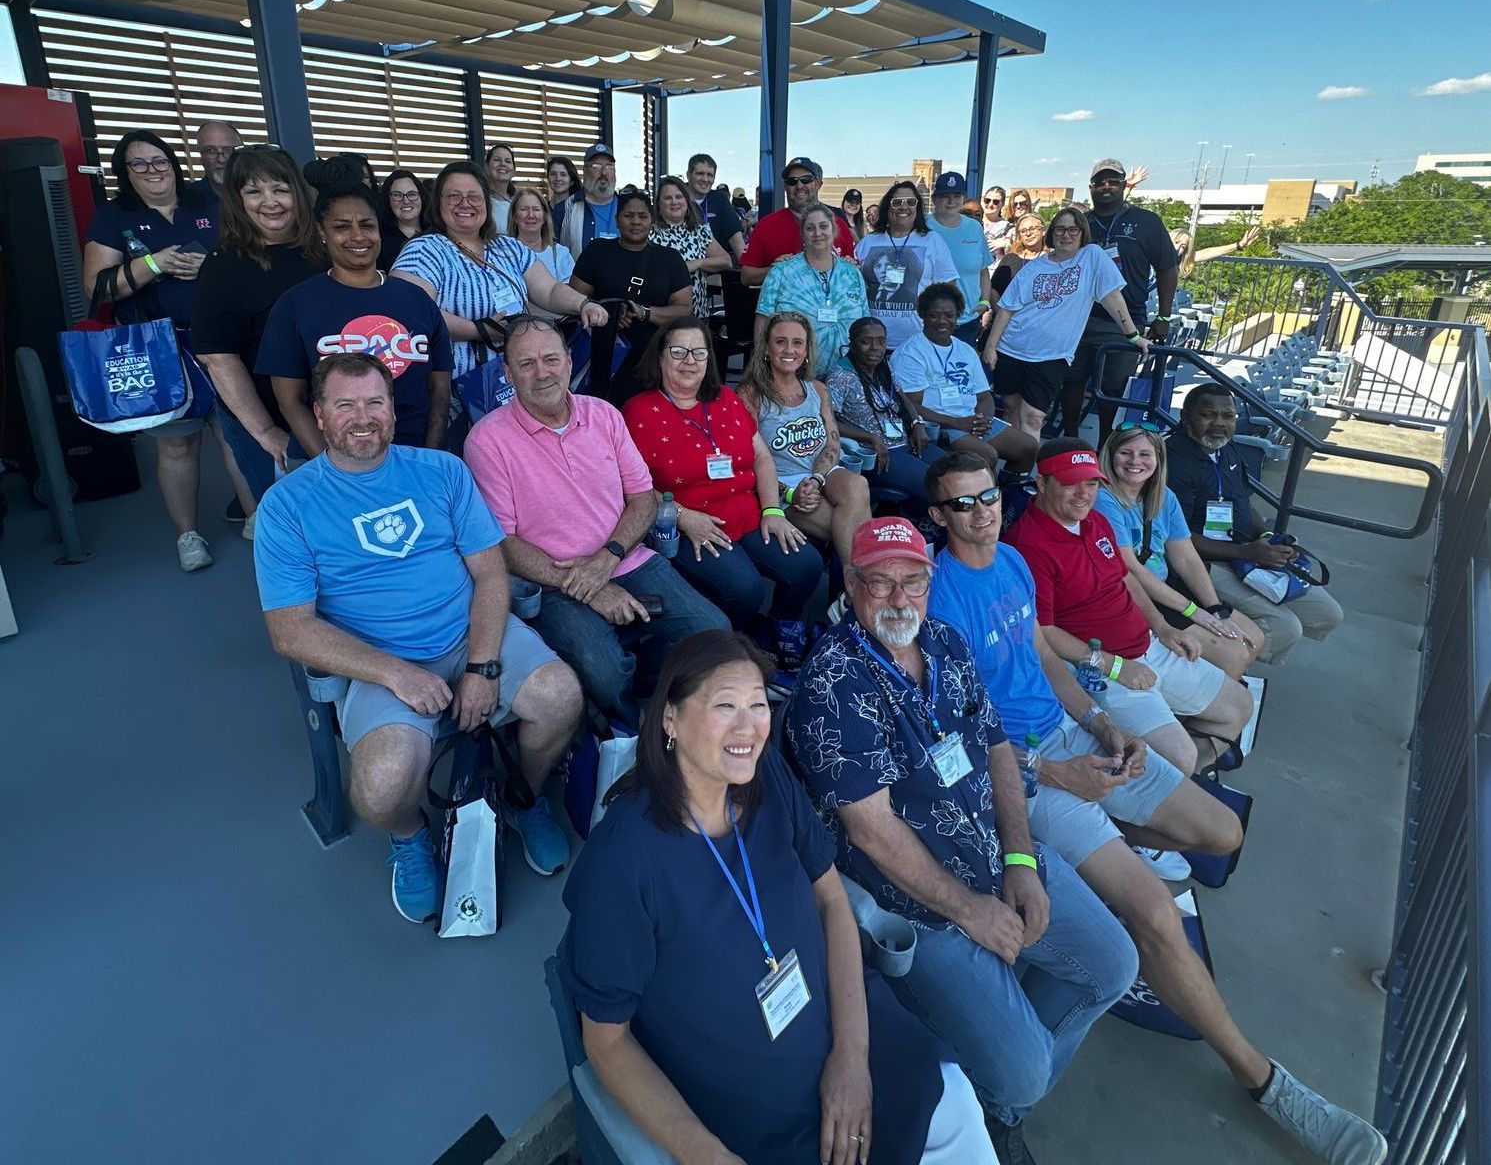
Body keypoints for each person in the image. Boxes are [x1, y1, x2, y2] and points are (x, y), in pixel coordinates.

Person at [924, 452, 1391, 1165]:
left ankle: (1102, 854)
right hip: (1025, 772)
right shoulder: (941, 595)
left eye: (987, 496)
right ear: (939, 515)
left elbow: (1044, 660)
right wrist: (1057, 771)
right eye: (962, 503)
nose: (981, 510)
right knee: (1153, 914)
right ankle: (1261, 1077)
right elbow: (955, 728)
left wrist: (1104, 725)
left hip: (1071, 731)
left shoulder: (1010, 566)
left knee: (1218, 830)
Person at [564, 630, 996, 1165]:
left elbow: (833, 902)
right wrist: (708, 1157)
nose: (749, 727)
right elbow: (606, 1042)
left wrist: (851, 1060)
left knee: (953, 1107)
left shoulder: (765, 773)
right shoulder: (624, 859)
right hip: (756, 1110)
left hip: (854, 1034)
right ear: (668, 719)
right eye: (725, 705)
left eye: (757, 704)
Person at [784, 517, 1139, 1164]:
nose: (899, 600)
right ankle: (1002, 1093)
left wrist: (1020, 857)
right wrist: (970, 910)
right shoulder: (831, 685)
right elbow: (871, 827)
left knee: (1114, 966)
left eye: (913, 581)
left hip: (996, 856)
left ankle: (988, 1093)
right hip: (915, 907)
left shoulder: (943, 639)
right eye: (880, 583)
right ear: (851, 584)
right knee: (1027, 1071)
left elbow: (996, 745)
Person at [255, 352, 582, 913]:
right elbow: (290, 630)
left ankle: (522, 797)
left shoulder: (441, 471)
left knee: (561, 697)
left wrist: (482, 667)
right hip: (379, 663)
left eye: (375, 402)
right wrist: (397, 673)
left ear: (392, 408)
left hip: (471, 635)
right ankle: (409, 837)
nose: (363, 416)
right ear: (320, 413)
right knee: (380, 789)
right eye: (345, 404)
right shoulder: (286, 506)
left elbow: (489, 573)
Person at [464, 317, 727, 726]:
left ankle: (660, 707)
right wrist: (591, 590)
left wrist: (607, 559)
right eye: (527, 363)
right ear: (508, 372)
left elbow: (642, 497)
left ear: (570, 361)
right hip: (552, 582)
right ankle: (626, 729)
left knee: (715, 633)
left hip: (625, 558)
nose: (542, 372)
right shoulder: (486, 440)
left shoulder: (603, 414)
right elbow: (503, 543)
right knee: (605, 671)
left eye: (551, 358)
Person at [1004, 439, 1254, 776]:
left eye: (1091, 482)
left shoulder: (1096, 520)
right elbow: (1044, 633)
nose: (1083, 494)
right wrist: (1118, 667)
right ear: (1041, 483)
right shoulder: (1027, 546)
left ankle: (1188, 781)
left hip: (1147, 643)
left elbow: (1127, 579)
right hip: (1101, 670)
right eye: (1069, 483)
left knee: (1239, 705)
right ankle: (1175, 785)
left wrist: (1163, 628)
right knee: (1179, 757)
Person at [83, 129, 248, 570]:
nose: (152, 170)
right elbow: (97, 290)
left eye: (159, 160)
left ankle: (260, 519)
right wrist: (154, 264)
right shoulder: (114, 216)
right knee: (178, 444)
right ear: (126, 173)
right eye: (139, 164)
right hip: (160, 347)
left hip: (223, 338)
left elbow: (246, 261)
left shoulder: (208, 203)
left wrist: (209, 267)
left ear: (174, 164)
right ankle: (188, 537)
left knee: (238, 434)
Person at [623, 319, 822, 629]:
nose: (689, 360)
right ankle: (725, 646)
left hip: (748, 515)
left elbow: (761, 458)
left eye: (699, 353)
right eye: (678, 351)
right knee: (746, 590)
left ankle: (781, 628)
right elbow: (630, 487)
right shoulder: (637, 412)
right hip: (694, 527)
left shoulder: (727, 399)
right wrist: (683, 516)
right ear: (660, 356)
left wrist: (772, 511)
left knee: (806, 565)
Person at [258, 157, 452, 454]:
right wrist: (334, 471)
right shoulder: (295, 305)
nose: (358, 236)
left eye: (366, 225)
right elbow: (290, 401)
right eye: (342, 226)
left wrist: (432, 458)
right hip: (332, 462)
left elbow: (439, 392)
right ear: (322, 232)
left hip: (414, 457)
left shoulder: (416, 300)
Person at [1167, 384, 1345, 665]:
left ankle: (1236, 646)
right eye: (1208, 415)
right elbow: (1177, 538)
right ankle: (1228, 666)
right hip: (1201, 562)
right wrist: (1247, 553)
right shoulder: (1172, 461)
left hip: (1247, 552)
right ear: (1186, 416)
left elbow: (1244, 504)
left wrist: (1267, 539)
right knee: (1286, 628)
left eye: (1228, 416)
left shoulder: (1229, 452)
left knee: (1328, 614)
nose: (1219, 424)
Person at [389, 159, 606, 381]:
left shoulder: (508, 248)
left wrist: (583, 304)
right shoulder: (424, 249)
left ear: (486, 202)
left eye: (474, 196)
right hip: (457, 388)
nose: (465, 203)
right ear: (437, 202)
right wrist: (478, 330)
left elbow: (549, 289)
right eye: (454, 196)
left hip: (515, 383)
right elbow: (412, 310)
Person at [193, 145, 323, 513]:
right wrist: (265, 431)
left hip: (328, 413)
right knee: (290, 523)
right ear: (237, 200)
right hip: (266, 417)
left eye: (280, 189)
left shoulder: (320, 254)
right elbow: (218, 357)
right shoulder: (224, 266)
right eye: (254, 191)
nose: (270, 202)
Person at [1095, 424, 1264, 678]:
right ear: (1110, 456)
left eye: (1145, 454)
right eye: (1125, 453)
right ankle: (1212, 708)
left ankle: (1219, 695)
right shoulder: (1103, 499)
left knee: (1254, 637)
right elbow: (1130, 568)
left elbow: (1186, 558)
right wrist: (1193, 612)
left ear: (1158, 459)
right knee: (1232, 654)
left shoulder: (1164, 496)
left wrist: (1215, 608)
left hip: (1164, 586)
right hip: (1132, 592)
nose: (1134, 461)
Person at [981, 206, 1148, 439]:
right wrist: (991, 348)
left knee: (1034, 417)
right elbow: (1008, 309)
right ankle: (1009, 466)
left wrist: (1133, 335)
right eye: (1059, 229)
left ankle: (1021, 470)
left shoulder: (1091, 256)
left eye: (1073, 229)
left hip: (1051, 355)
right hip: (1011, 347)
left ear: (1082, 233)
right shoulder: (1036, 267)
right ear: (1051, 233)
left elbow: (1112, 297)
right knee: (1010, 409)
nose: (1066, 235)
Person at [739, 311, 872, 569]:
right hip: (782, 484)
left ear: (807, 349)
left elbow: (832, 443)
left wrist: (817, 478)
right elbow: (747, 460)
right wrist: (790, 492)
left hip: (820, 473)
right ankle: (853, 589)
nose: (789, 350)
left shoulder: (818, 390)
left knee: (858, 484)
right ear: (766, 347)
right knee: (852, 534)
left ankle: (851, 589)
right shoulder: (750, 394)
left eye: (797, 342)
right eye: (780, 342)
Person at [1059, 159, 1178, 441]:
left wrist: (1163, 316)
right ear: (1090, 187)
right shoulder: (1081, 223)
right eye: (1100, 182)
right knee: (1071, 382)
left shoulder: (1147, 222)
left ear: (1124, 185)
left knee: (1111, 389)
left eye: (1113, 181)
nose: (1106, 186)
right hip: (1079, 316)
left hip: (1124, 321)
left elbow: (1167, 268)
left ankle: (1105, 446)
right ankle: (1070, 440)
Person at [892, 284, 1037, 473]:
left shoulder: (965, 350)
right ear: (923, 315)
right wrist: (958, 424)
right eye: (934, 315)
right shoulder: (911, 353)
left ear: (957, 315)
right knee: (987, 455)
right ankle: (987, 498)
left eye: (949, 315)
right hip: (939, 425)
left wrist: (982, 420)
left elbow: (984, 396)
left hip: (970, 421)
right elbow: (910, 405)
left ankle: (1009, 495)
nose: (942, 321)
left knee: (1028, 446)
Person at [569, 186, 694, 403]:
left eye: (642, 216)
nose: (635, 221)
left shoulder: (670, 259)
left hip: (653, 360)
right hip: (603, 357)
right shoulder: (597, 251)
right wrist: (607, 313)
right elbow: (572, 300)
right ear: (617, 220)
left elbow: (684, 309)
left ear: (652, 221)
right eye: (628, 215)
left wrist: (644, 313)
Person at [828, 317, 944, 510]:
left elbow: (902, 396)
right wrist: (870, 437)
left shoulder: (884, 366)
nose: (875, 347)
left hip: (905, 441)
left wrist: (916, 423)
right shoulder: (841, 376)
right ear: (852, 344)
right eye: (866, 341)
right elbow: (828, 421)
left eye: (881, 341)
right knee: (937, 486)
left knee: (955, 471)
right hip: (879, 453)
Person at [756, 202, 870, 376]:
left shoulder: (852, 274)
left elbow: (864, 322)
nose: (818, 233)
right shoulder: (781, 272)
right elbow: (763, 320)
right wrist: (761, 364)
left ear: (834, 231)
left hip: (846, 375)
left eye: (823, 226)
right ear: (802, 234)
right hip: (793, 375)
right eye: (810, 228)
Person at [855, 181, 958, 350]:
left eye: (910, 202)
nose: (904, 207)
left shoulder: (933, 241)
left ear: (917, 208)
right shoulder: (868, 242)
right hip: (870, 344)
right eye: (897, 202)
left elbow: (948, 290)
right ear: (887, 208)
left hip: (917, 342)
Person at [739, 158, 856, 286]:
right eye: (792, 181)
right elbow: (746, 276)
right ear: (785, 187)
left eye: (806, 179)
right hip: (786, 304)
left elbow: (854, 276)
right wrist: (776, 270)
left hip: (833, 303)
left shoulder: (839, 225)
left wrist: (850, 267)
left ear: (817, 184)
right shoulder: (766, 225)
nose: (799, 186)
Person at [926, 171, 994, 347]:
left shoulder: (974, 228)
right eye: (944, 196)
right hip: (930, 320)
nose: (951, 201)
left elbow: (983, 271)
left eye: (956, 196)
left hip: (967, 320)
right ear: (934, 200)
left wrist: (985, 302)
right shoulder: (922, 226)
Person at [651, 174, 732, 318]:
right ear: (659, 203)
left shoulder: (700, 231)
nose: (674, 202)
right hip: (662, 316)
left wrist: (697, 263)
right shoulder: (649, 233)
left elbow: (726, 261)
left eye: (679, 196)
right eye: (668, 198)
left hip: (697, 316)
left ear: (687, 201)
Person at [505, 184, 576, 323]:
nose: (530, 215)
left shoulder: (561, 253)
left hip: (555, 329)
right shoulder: (503, 253)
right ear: (514, 217)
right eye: (524, 209)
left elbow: (568, 295)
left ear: (544, 217)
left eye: (536, 209)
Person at [555, 143, 621, 258]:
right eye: (596, 167)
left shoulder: (625, 207)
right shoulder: (564, 210)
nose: (604, 172)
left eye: (609, 166)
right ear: (584, 171)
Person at [685, 151, 745, 262]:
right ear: (688, 175)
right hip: (681, 265)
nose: (705, 179)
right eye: (700, 174)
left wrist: (746, 264)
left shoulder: (719, 199)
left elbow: (734, 235)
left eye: (710, 175)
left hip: (713, 267)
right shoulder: (677, 197)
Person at [376, 169, 426, 272]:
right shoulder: (379, 241)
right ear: (388, 200)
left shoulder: (439, 234)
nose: (406, 201)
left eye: (412, 194)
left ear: (422, 197)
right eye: (397, 195)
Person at [989, 213, 1047, 300]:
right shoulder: (1009, 259)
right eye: (1023, 231)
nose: (1028, 234)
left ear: (1043, 231)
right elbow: (994, 289)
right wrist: (999, 312)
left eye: (1032, 229)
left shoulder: (1053, 260)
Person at [193, 119, 242, 203]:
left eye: (228, 150)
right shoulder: (184, 200)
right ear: (201, 157)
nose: (221, 159)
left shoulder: (261, 194)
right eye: (210, 151)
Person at [484, 141, 518, 231]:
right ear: (487, 167)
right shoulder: (481, 201)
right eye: (497, 160)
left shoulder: (519, 202)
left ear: (514, 171)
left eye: (507, 161)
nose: (502, 164)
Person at [545, 154, 583, 227]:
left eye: (563, 174)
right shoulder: (541, 209)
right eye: (553, 174)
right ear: (548, 178)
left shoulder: (579, 209)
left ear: (572, 181)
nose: (557, 178)